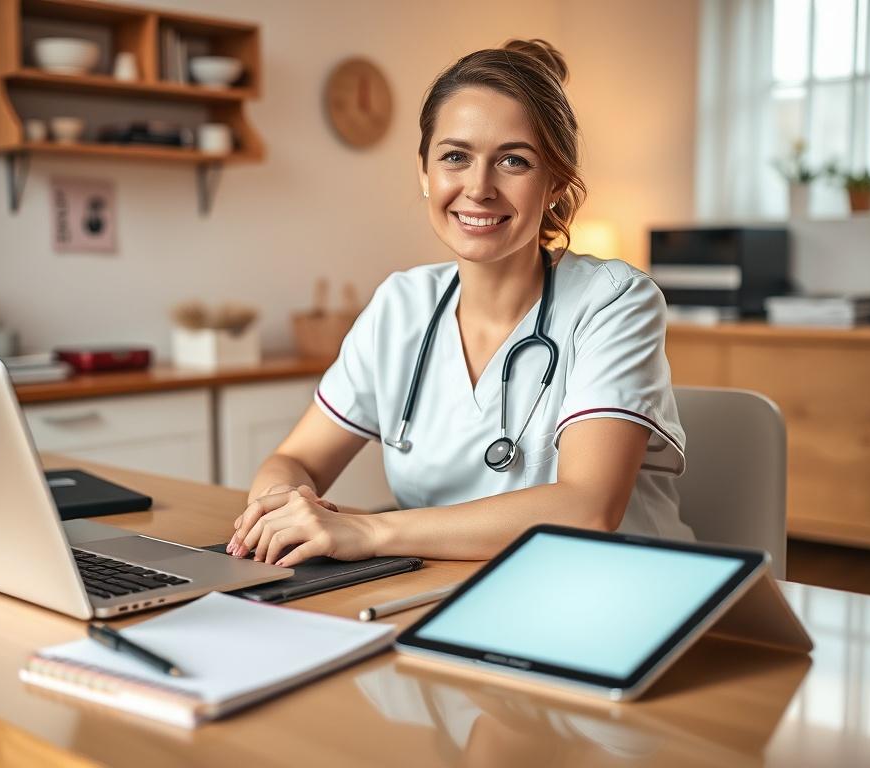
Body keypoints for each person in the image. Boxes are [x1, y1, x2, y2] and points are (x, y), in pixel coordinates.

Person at [228, 38, 692, 568]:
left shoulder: (614, 301)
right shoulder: (402, 304)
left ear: (557, 182)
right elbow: (294, 458)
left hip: (613, 594)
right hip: (444, 592)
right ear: (425, 171)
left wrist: (367, 531)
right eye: (455, 157)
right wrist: (284, 504)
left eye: (513, 161)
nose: (479, 187)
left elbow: (588, 509)